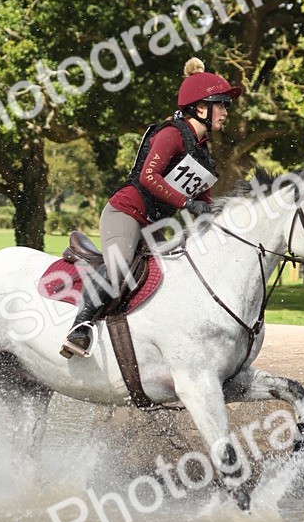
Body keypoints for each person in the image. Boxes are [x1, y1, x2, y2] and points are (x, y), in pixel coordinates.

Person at [60, 56, 241, 358]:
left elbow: (205, 203)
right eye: (221, 104)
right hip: (126, 213)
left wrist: (224, 220)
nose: (226, 112)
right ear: (200, 108)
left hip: (155, 227)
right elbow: (148, 176)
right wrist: (187, 204)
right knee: (119, 271)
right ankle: (80, 327)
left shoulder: (203, 154)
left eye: (226, 106)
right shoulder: (171, 134)